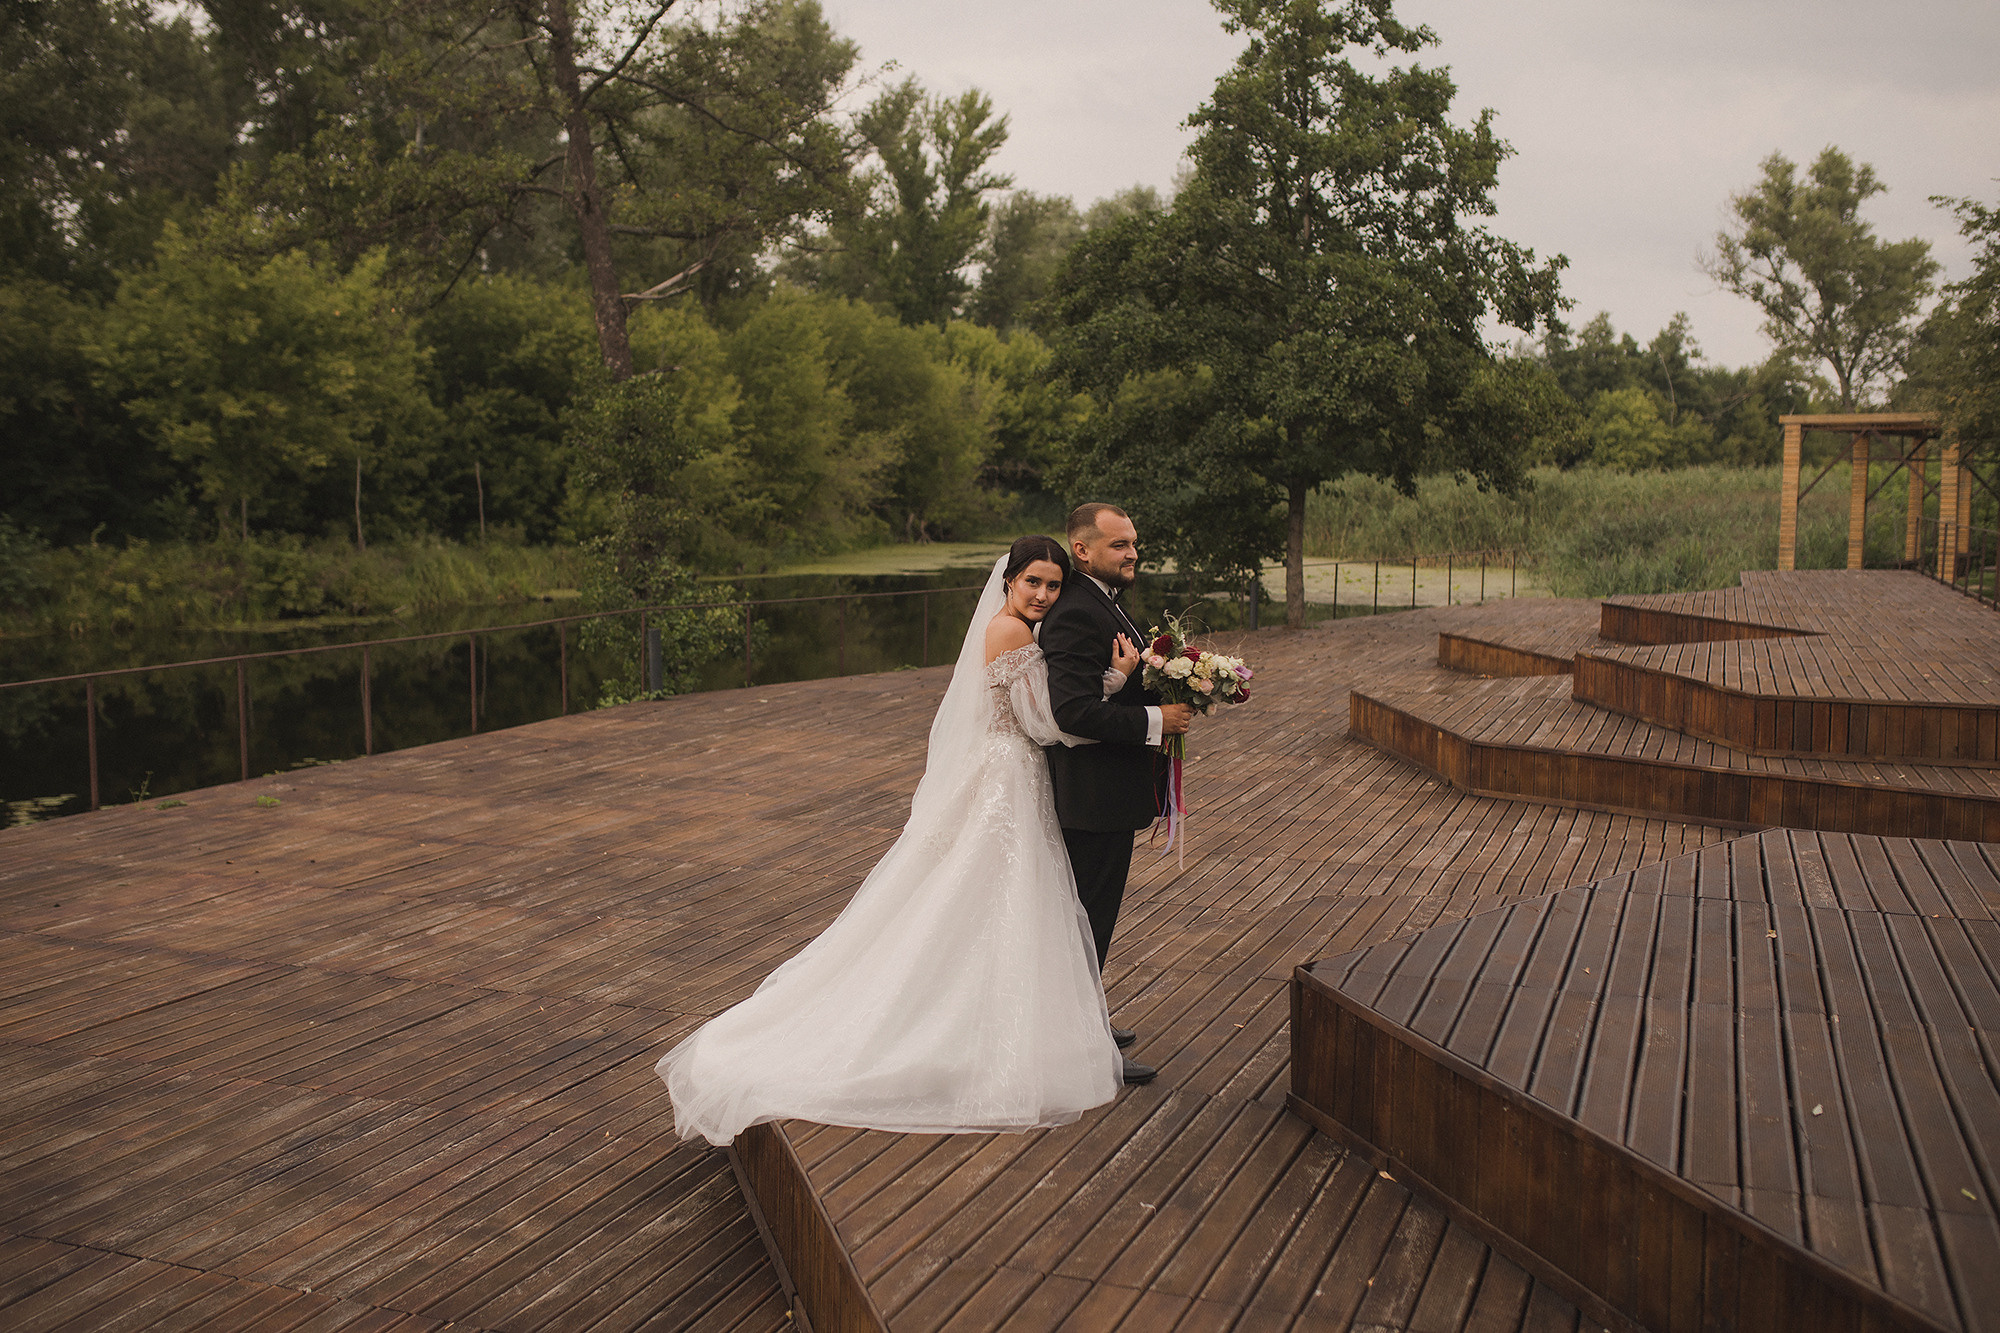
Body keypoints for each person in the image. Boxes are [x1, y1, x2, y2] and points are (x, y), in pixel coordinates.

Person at [658, 535, 1144, 1147]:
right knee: (995, 894)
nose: (1044, 596)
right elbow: (1047, 724)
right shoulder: (1011, 633)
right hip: (1009, 775)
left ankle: (1004, 1017)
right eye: (1033, 584)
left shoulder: (1014, 628)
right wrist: (1114, 677)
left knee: (994, 898)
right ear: (1008, 582)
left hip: (1009, 774)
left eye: (1052, 585)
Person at [1040, 503, 1195, 1083]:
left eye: (1134, 543)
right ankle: (1078, 1049)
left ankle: (1085, 1020)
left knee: (1090, 921)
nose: (1133, 554)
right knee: (1085, 921)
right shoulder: (1077, 614)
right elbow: (1074, 712)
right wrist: (1158, 720)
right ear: (1082, 550)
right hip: (1091, 798)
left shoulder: (1104, 602)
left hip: (1107, 794)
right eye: (1119, 545)